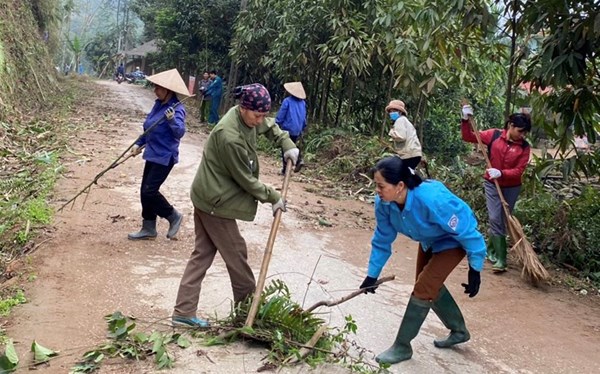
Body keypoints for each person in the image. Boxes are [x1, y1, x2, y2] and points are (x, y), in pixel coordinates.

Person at [172, 83, 300, 327]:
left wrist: (286, 143)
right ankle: (248, 316)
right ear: (243, 108)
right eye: (256, 114)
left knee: (202, 254)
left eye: (263, 114)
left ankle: (183, 312)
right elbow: (246, 179)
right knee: (237, 255)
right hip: (214, 202)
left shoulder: (247, 117)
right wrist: (273, 197)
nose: (259, 119)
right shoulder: (229, 136)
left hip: (207, 194)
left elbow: (268, 124)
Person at [359, 156, 486, 365]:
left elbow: (467, 233)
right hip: (429, 240)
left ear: (400, 185)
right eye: (376, 185)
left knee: (423, 288)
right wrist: (372, 275)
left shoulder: (431, 199)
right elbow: (382, 240)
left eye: (381, 186)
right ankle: (459, 331)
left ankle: (402, 346)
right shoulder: (384, 204)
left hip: (453, 240)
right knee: (427, 287)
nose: (377, 191)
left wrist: (475, 268)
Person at [460, 104, 531, 272]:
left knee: (503, 218)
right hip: (492, 184)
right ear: (511, 126)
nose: (523, 135)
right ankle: (501, 259)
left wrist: (501, 173)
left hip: (511, 187)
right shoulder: (494, 135)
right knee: (494, 217)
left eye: (525, 132)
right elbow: (468, 136)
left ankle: (491, 251)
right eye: (520, 131)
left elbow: (519, 171)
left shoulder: (524, 147)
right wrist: (464, 120)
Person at [128, 69, 189, 241]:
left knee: (149, 192)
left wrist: (171, 120)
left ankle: (173, 216)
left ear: (168, 91)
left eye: (159, 88)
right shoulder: (158, 105)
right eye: (155, 87)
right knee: (144, 191)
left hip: (164, 157)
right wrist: (138, 144)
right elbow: (150, 127)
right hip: (152, 153)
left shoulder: (177, 109)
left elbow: (179, 132)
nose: (155, 90)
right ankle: (148, 228)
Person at [275, 81, 307, 174]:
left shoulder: (287, 101)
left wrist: (276, 123)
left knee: (285, 148)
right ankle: (298, 160)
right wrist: (303, 127)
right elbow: (304, 117)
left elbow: (281, 115)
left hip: (287, 128)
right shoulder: (303, 103)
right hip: (297, 129)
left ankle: (286, 169)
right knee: (292, 145)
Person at [385, 100, 422, 170]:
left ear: (400, 112)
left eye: (393, 111)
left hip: (408, 155)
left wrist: (392, 134)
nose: (391, 113)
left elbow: (401, 137)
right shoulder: (406, 121)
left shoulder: (400, 120)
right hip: (414, 153)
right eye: (390, 111)